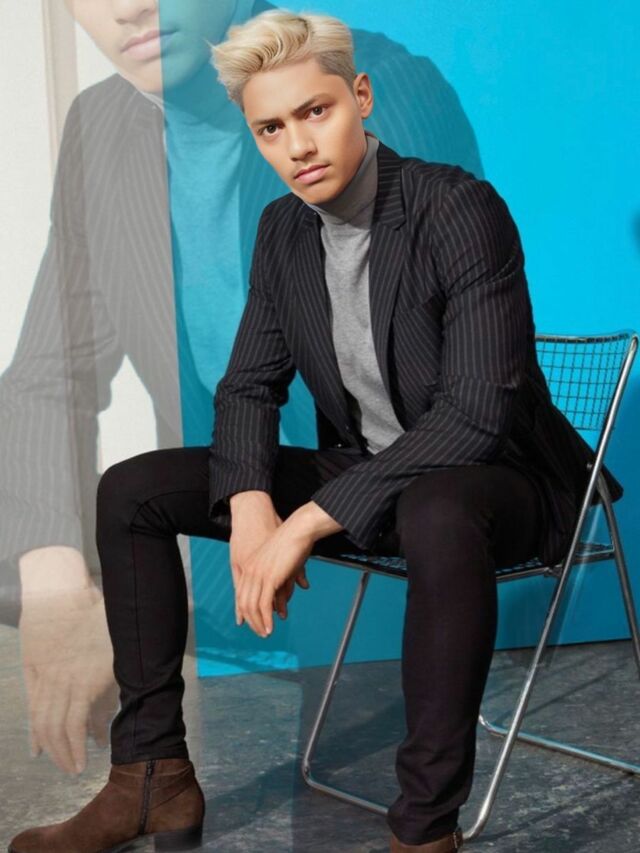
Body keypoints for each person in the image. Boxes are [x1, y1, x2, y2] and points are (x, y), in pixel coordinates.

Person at [8, 8, 622, 853]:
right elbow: (248, 386)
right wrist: (250, 503)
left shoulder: (456, 207)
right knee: (132, 489)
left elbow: (475, 414)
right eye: (271, 128)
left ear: (360, 97)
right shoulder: (284, 230)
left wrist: (305, 520)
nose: (298, 144)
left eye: (316, 112)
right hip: (372, 472)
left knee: (438, 508)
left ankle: (424, 828)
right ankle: (152, 777)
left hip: (502, 484)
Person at [1, 0, 483, 777]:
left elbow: (447, 389)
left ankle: (422, 810)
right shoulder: (102, 127)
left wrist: (303, 525)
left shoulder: (374, 84)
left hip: (400, 505)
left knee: (344, 775)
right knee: (111, 506)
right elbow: (47, 375)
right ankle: (152, 781)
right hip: (235, 555)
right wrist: (55, 583)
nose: (128, 7)